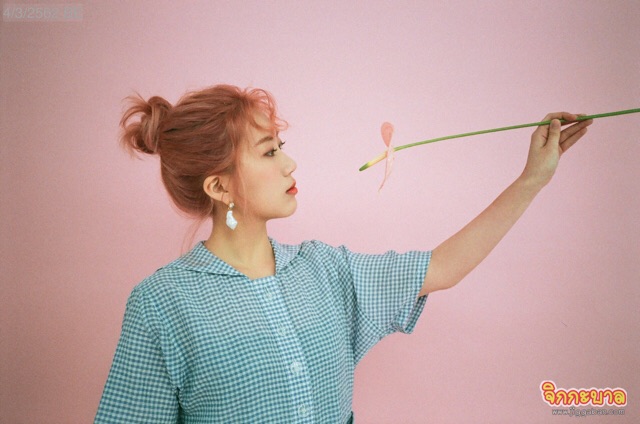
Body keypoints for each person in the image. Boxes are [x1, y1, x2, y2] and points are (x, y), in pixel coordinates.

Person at [94, 84, 592, 423]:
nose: (290, 162)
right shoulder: (161, 304)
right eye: (269, 151)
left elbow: (441, 267)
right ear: (219, 186)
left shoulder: (324, 269)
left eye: (281, 145)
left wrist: (533, 179)